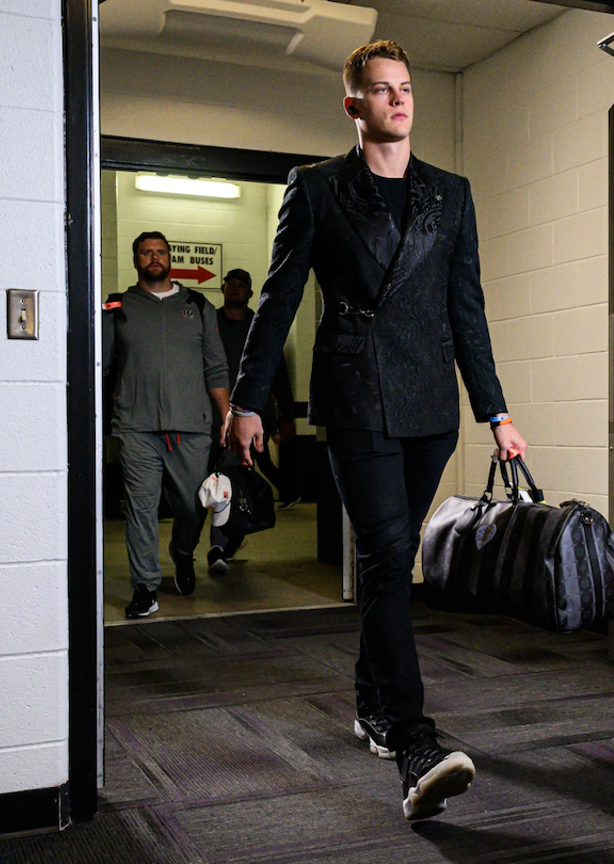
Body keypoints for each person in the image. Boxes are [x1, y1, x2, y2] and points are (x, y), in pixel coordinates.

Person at [225, 41, 527, 821]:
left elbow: (468, 311)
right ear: (353, 103)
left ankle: (370, 703)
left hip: (430, 408)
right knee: (391, 555)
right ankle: (416, 740)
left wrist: (496, 411)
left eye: (405, 89)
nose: (398, 100)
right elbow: (278, 297)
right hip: (357, 397)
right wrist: (250, 400)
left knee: (390, 562)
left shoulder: (450, 194)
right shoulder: (318, 189)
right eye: (380, 90)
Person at [104, 231, 230, 618]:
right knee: (140, 509)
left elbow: (217, 367)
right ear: (136, 258)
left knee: (193, 507)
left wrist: (227, 417)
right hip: (136, 426)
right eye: (146, 252)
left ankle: (182, 554)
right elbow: (104, 367)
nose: (154, 258)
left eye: (160, 252)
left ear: (169, 258)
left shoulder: (198, 304)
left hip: (191, 427)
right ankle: (145, 587)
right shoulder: (119, 306)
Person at [208, 268, 302, 572]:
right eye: (231, 284)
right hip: (206, 418)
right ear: (223, 288)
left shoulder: (258, 327)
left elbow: (279, 376)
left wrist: (286, 417)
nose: (236, 289)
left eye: (242, 286)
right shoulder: (211, 325)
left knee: (228, 482)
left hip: (247, 421)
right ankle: (226, 539)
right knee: (209, 486)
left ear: (250, 294)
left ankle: (218, 548)